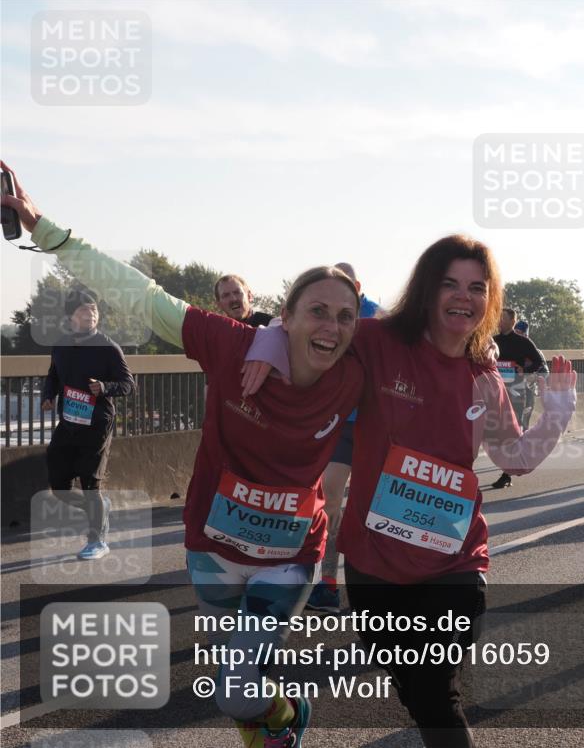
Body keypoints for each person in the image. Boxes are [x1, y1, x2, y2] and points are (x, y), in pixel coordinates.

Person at [2, 161, 364, 748]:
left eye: (345, 316)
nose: (332, 327)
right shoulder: (232, 343)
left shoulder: (356, 368)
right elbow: (140, 295)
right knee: (236, 679)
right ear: (287, 315)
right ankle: (271, 735)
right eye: (317, 312)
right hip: (211, 546)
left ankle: (288, 713)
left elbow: (430, 337)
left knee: (235, 688)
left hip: (290, 554)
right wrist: (42, 228)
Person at [242, 235, 578, 748]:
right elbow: (316, 331)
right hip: (375, 566)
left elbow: (514, 456)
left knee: (437, 700)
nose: (463, 297)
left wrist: (556, 410)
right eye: (449, 284)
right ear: (426, 290)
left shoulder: (482, 375)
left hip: (455, 562)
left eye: (476, 287)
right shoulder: (379, 343)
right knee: (417, 690)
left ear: (489, 299)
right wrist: (267, 341)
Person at [307, 261, 384, 614]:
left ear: (357, 285)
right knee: (330, 502)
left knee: (379, 509)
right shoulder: (324, 314)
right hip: (340, 423)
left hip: (375, 424)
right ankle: (327, 585)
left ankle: (388, 585)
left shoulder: (379, 317)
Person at [41, 289, 135, 560]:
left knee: (89, 483)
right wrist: (48, 395)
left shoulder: (108, 347)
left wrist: (105, 387)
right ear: (71, 316)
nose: (90, 314)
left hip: (97, 424)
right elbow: (54, 375)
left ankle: (97, 541)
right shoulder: (60, 345)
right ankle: (99, 508)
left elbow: (129, 385)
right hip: (68, 423)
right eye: (84, 310)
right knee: (59, 484)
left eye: (94, 309)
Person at [490, 308, 549, 489]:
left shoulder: (523, 341)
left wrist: (524, 369)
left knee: (512, 430)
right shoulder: (493, 341)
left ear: (512, 321)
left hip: (516, 391)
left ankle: (507, 474)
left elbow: (539, 363)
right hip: (495, 391)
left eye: (502, 317)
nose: (498, 320)